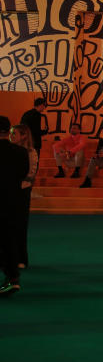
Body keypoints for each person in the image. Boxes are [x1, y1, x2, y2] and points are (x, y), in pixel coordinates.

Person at [0, 116, 30, 297]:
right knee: (9, 239)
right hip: (12, 200)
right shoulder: (20, 152)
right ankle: (13, 278)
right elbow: (23, 173)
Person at [10, 124, 37, 269]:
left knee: (20, 226)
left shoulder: (31, 152)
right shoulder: (8, 150)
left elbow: (30, 174)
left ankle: (21, 258)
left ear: (24, 136)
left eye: (14, 133)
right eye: (11, 133)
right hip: (9, 190)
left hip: (22, 191)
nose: (11, 136)